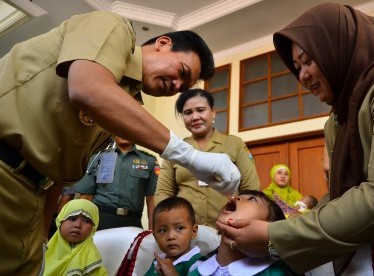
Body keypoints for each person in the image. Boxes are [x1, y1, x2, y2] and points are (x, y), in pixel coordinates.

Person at [216, 3, 374, 275]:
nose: (303, 76)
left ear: (338, 46)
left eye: (308, 61)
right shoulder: (339, 120)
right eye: (297, 67)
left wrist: (277, 237)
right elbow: (343, 195)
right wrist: (295, 225)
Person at [0, 11, 241, 275]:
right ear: (162, 43)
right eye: (181, 71)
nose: (176, 85)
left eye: (183, 86)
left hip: (29, 198)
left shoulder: (126, 105)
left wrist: (42, 239)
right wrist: (190, 157)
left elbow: (59, 173)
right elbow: (88, 87)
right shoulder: (113, 26)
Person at [155, 88, 260, 227]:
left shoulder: (234, 144)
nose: (195, 117)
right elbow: (164, 192)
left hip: (228, 228)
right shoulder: (176, 149)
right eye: (188, 113)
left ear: (213, 112)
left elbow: (251, 189)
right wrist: (170, 225)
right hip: (185, 233)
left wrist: (243, 223)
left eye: (200, 110)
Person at [190, 190, 295, 275]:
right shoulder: (197, 270)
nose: (235, 198)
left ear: (269, 225)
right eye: (236, 195)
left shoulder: (278, 271)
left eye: (252, 199)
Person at [74, 136, 159, 230]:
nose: (123, 133)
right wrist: (80, 226)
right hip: (99, 219)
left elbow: (152, 200)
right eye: (120, 129)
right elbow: (86, 197)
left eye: (127, 130)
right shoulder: (98, 157)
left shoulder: (149, 161)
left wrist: (152, 232)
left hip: (132, 222)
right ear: (113, 132)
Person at [44, 199, 107, 276]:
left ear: (93, 228)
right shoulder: (42, 253)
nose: (78, 225)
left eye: (86, 221)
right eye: (72, 219)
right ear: (60, 222)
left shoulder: (91, 260)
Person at [145, 196, 202, 276]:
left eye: (179, 228)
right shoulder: (157, 261)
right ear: (155, 236)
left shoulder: (198, 264)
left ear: (193, 231)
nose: (170, 236)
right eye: (162, 230)